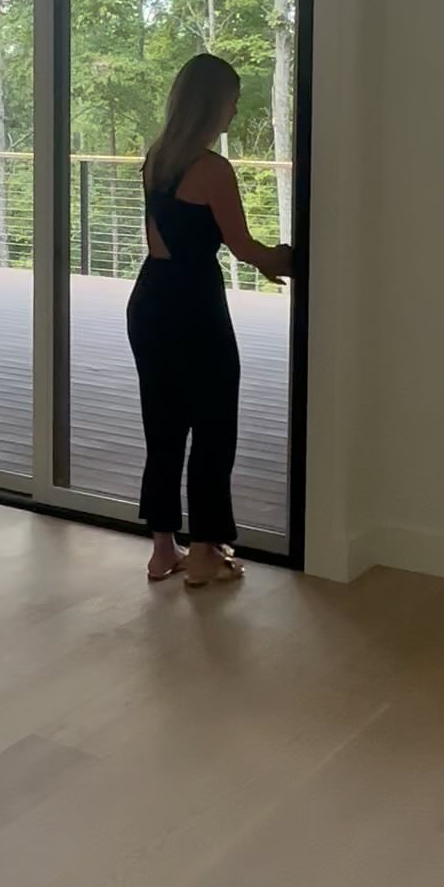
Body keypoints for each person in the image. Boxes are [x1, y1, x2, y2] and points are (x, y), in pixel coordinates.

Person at [127, 53, 293, 589]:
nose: (235, 109)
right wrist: (286, 259)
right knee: (214, 423)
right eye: (232, 99)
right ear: (209, 104)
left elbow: (174, 233)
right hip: (194, 303)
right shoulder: (212, 170)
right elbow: (244, 247)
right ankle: (203, 554)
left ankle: (162, 551)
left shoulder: (158, 158)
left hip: (150, 297)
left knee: (164, 424)